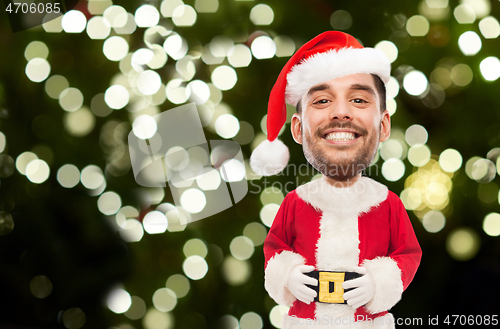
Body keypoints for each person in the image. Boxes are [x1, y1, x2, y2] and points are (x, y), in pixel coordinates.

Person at [250, 31, 422, 328]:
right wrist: (287, 276)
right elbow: (274, 249)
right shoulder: (295, 202)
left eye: (358, 99)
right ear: (297, 129)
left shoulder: (388, 204)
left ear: (383, 126)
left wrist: (379, 283)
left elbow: (407, 254)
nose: (341, 112)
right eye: (321, 101)